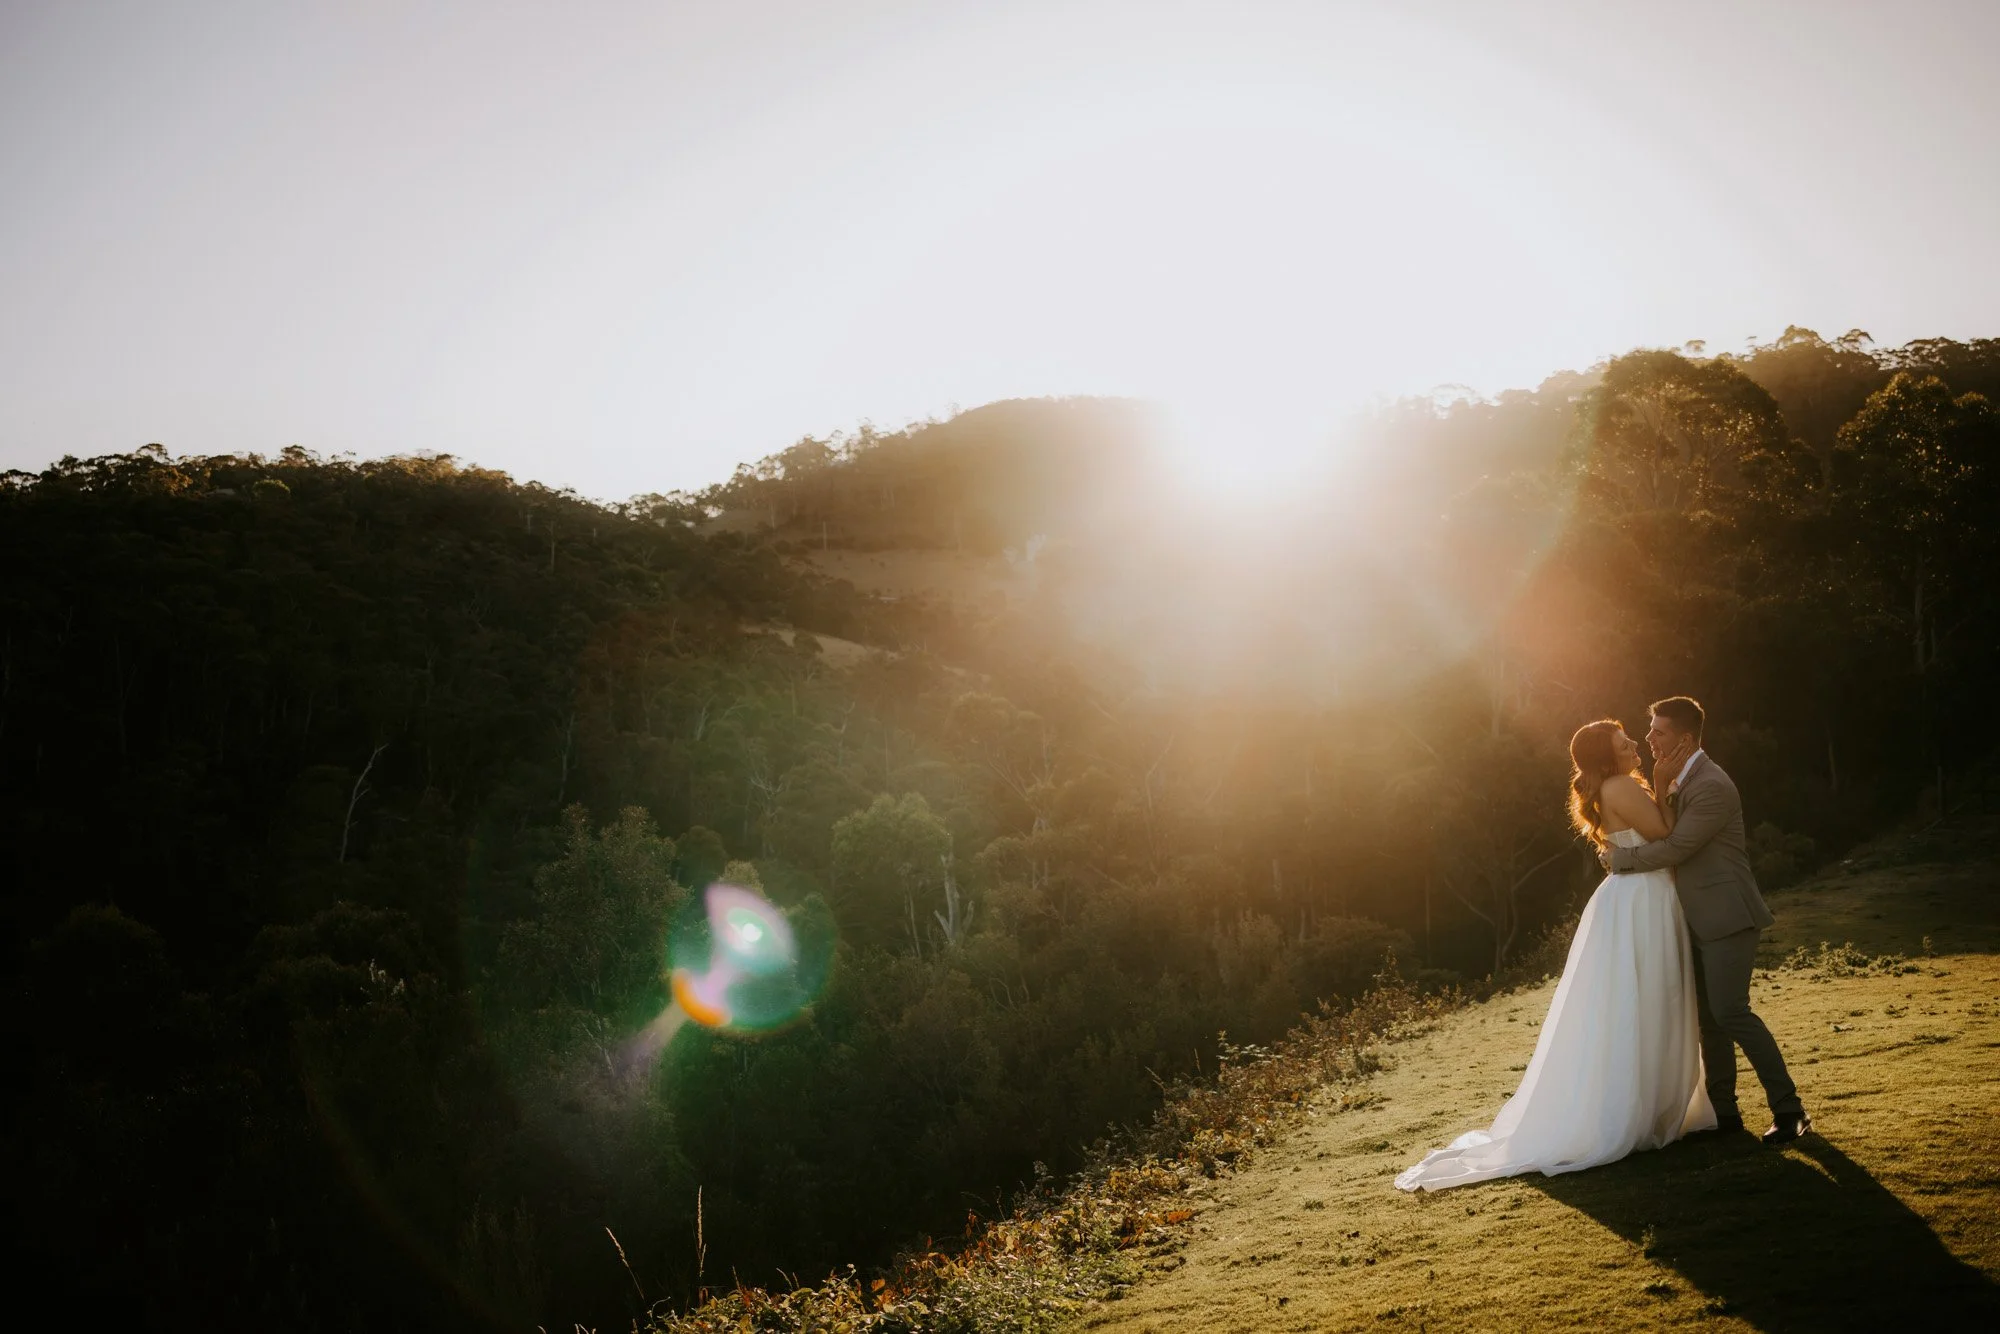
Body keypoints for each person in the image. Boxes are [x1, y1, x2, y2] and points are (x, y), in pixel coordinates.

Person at [1395, 715, 1715, 1191]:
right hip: (1641, 901)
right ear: (1607, 758)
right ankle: (1642, 1110)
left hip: (1632, 898)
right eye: (1624, 743)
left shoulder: (1613, 787)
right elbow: (1668, 838)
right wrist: (1666, 783)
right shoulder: (1622, 787)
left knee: (1639, 1000)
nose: (1634, 746)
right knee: (1650, 997)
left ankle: (1647, 1104)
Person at [1603, 696, 1809, 1146]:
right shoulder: (1678, 777)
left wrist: (1621, 859)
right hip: (1689, 916)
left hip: (1726, 915)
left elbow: (1678, 847)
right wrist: (1661, 786)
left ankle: (1790, 1110)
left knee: (1731, 1013)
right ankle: (1724, 1115)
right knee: (1708, 1022)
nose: (1649, 739)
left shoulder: (1711, 783)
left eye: (1658, 732)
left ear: (1685, 737)